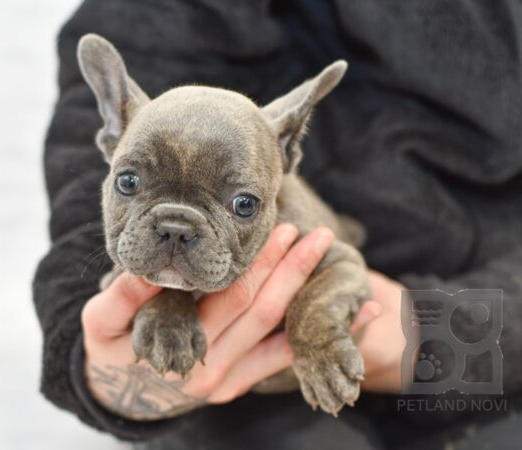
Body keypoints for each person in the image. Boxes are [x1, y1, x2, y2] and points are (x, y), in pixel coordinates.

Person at [33, 1, 522, 448]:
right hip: (232, 406)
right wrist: (94, 358)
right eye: (131, 182)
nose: (175, 232)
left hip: (484, 342)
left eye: (241, 203)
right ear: (112, 133)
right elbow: (147, 35)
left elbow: (337, 266)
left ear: (289, 145)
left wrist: (443, 336)